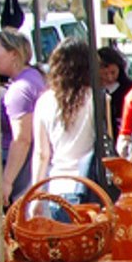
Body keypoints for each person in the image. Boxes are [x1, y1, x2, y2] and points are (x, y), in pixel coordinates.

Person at [30, 38, 98, 194]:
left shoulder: (45, 101)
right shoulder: (98, 99)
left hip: (58, 185)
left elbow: (41, 154)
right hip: (91, 185)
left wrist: (36, 194)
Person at [0, 27, 44, 202]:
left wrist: (7, 181)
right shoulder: (35, 77)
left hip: (24, 171)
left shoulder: (19, 89)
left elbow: (22, 139)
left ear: (13, 54)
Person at [99, 45, 132, 140]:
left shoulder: (129, 89)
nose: (110, 77)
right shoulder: (93, 91)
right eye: (105, 74)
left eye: (113, 72)